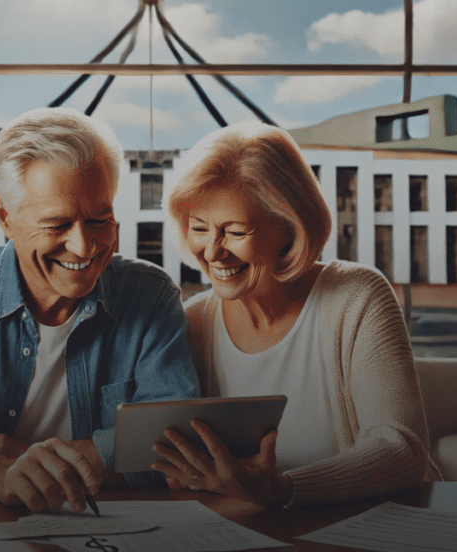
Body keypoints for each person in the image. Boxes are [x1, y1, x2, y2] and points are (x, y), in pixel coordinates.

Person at [0, 107, 199, 514]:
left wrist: (18, 453)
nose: (84, 248)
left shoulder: (150, 296)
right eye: (56, 225)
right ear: (4, 216)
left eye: (100, 220)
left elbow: (172, 437)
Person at [155, 120, 441, 508]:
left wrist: (284, 491)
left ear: (289, 229)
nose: (212, 251)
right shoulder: (191, 323)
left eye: (234, 232)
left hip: (376, 528)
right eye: (199, 228)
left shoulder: (357, 297)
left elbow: (403, 448)